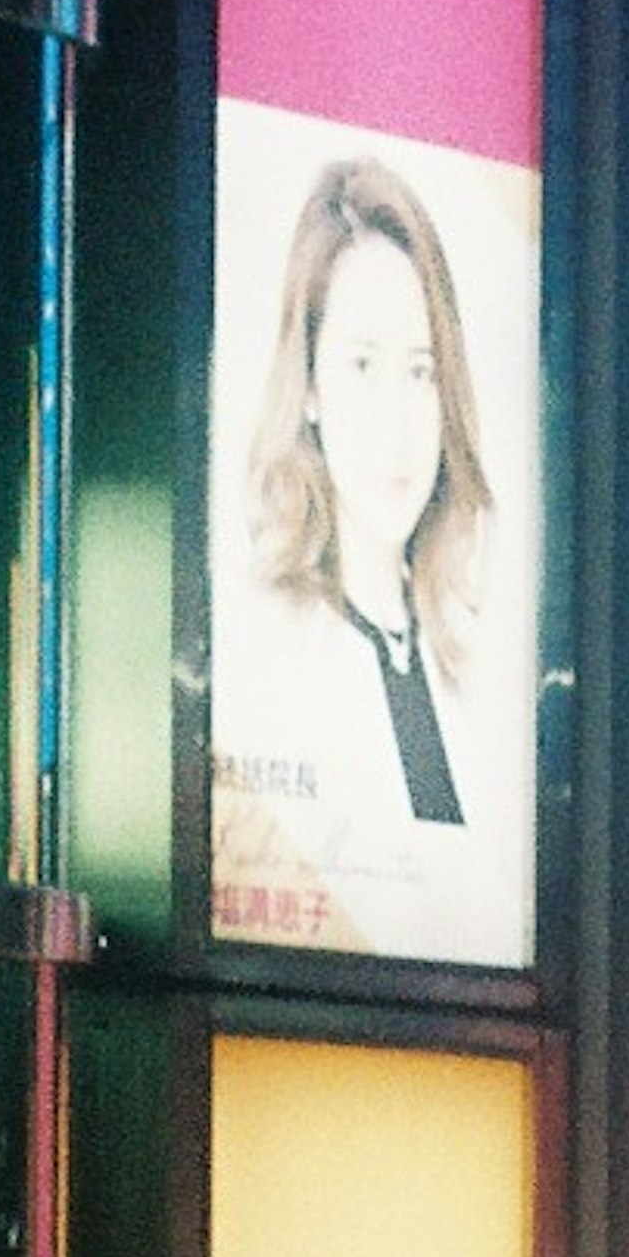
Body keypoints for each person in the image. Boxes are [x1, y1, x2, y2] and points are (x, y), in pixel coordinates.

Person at [211, 153, 511, 956]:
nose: (397, 422)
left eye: (421, 372)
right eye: (362, 364)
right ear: (307, 384)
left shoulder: (480, 657)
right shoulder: (253, 650)